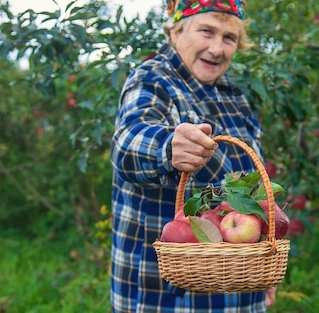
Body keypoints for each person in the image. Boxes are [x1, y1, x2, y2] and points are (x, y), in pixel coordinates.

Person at [110, 0, 275, 311]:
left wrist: (264, 272)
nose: (217, 49)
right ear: (176, 31)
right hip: (165, 296)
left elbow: (252, 196)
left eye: (229, 38)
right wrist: (168, 147)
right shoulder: (153, 80)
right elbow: (129, 142)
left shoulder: (235, 97)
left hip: (239, 294)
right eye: (206, 31)